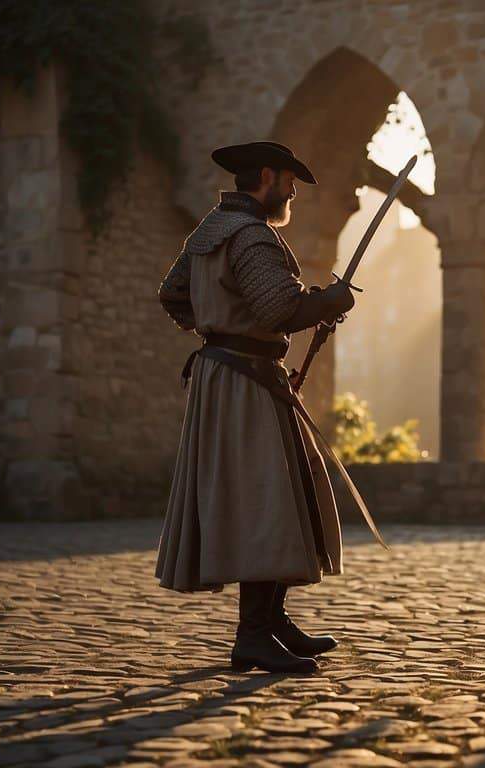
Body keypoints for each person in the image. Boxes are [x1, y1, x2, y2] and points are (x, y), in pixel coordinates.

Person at [155, 141, 363, 673]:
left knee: (283, 493)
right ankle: (252, 635)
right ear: (266, 177)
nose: (293, 192)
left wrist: (216, 325)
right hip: (245, 382)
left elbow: (175, 295)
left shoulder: (208, 232)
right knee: (265, 498)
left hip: (228, 374)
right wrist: (331, 301)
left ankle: (272, 622)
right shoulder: (252, 237)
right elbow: (281, 309)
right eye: (290, 181)